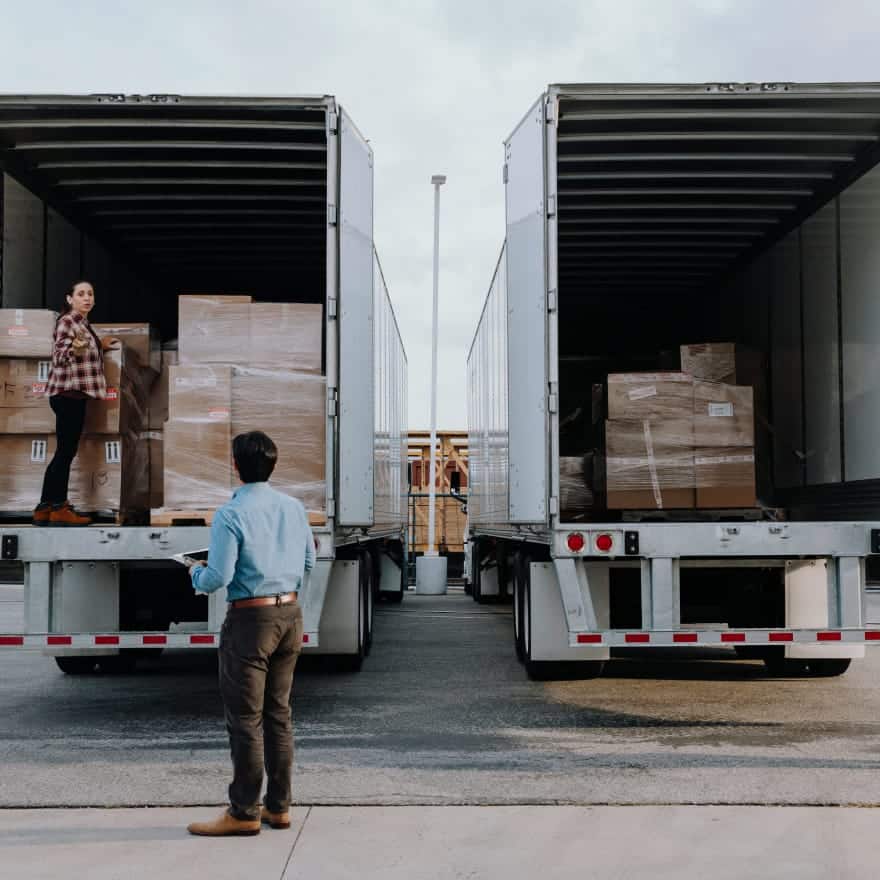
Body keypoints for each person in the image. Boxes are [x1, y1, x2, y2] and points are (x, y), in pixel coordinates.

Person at [186, 431, 314, 837]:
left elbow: (218, 576)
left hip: (250, 621)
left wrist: (194, 573)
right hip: (290, 614)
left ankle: (243, 811)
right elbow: (310, 561)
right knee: (279, 715)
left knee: (245, 721)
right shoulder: (294, 508)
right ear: (272, 465)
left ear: (236, 465)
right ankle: (279, 807)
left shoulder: (230, 514)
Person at [34, 280, 116, 527]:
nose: (87, 298)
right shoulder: (67, 321)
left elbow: (83, 349)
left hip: (72, 395)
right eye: (81, 294)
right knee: (65, 452)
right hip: (68, 395)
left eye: (90, 294)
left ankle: (45, 507)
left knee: (64, 451)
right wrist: (75, 350)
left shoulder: (83, 324)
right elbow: (59, 356)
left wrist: (97, 346)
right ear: (70, 299)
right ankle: (58, 507)